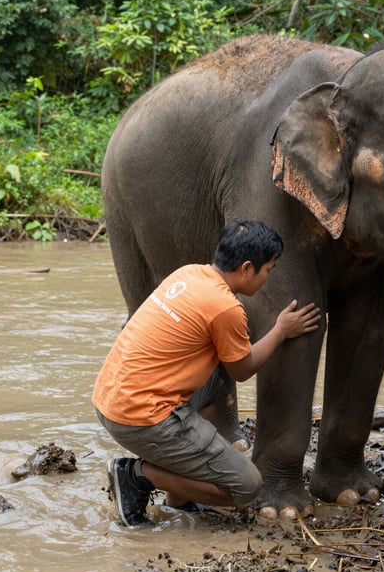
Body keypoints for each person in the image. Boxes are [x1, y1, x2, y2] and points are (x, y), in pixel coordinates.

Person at [93, 219, 321, 527]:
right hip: (141, 416)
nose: (268, 278)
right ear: (246, 268)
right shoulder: (225, 308)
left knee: (216, 382)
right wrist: (280, 330)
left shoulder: (187, 273)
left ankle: (179, 498)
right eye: (269, 269)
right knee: (246, 486)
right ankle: (135, 476)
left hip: (111, 396)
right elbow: (243, 370)